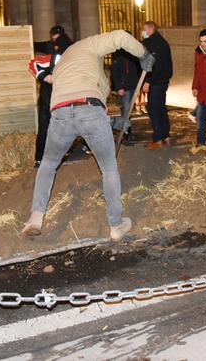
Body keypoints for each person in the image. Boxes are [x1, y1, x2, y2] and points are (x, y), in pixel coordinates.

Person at [21, 30, 155, 241]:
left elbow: (82, 106)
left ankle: (35, 217)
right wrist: (143, 54)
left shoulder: (66, 62)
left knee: (48, 164)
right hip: (88, 110)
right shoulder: (89, 45)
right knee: (109, 168)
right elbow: (120, 36)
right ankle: (116, 225)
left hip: (60, 113)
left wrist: (114, 122)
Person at [31, 25, 73, 166]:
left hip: (63, 95)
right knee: (45, 126)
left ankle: (58, 155)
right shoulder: (52, 53)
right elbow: (34, 64)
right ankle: (39, 157)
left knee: (62, 127)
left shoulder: (69, 50)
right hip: (48, 95)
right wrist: (45, 76)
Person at [141, 20, 173, 149]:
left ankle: (158, 138)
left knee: (154, 110)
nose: (143, 32)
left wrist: (148, 81)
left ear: (150, 29)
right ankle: (166, 136)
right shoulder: (162, 41)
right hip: (163, 81)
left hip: (156, 82)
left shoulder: (153, 43)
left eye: (144, 29)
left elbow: (153, 65)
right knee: (161, 109)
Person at [110, 48, 141, 143]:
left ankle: (127, 130)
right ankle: (124, 132)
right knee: (126, 109)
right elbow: (115, 72)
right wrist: (119, 87)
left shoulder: (132, 53)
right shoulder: (118, 54)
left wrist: (138, 85)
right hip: (125, 88)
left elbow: (136, 69)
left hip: (132, 87)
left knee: (129, 110)